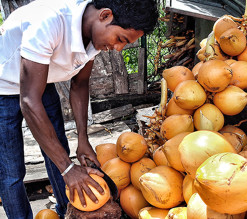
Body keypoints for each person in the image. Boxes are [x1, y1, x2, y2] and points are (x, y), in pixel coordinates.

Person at [0, 0, 158, 218]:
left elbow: (79, 84)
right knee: (11, 172)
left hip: (39, 80)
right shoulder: (48, 22)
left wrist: (82, 140)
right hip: (3, 85)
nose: (119, 48)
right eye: (120, 39)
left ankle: (66, 211)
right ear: (105, 15)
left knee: (59, 151)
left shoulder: (93, 35)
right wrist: (67, 168)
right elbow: (28, 101)